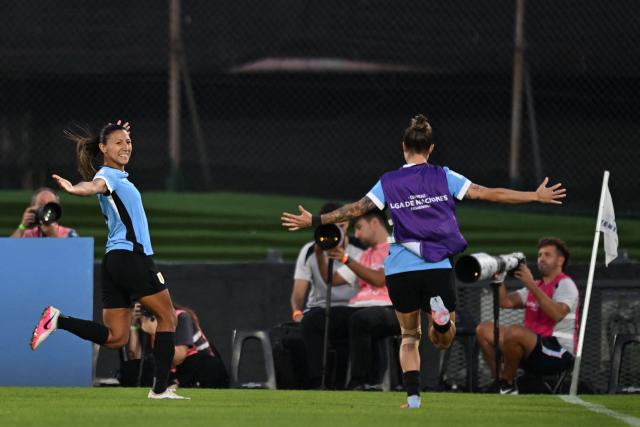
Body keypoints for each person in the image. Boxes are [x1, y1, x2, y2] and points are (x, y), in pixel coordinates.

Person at [282, 114, 566, 408]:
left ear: (404, 146)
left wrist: (315, 220)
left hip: (399, 269)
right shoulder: (443, 176)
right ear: (430, 149)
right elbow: (489, 193)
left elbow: (355, 209)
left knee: (408, 336)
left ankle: (414, 397)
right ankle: (441, 321)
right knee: (442, 339)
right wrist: (535, 194)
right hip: (436, 266)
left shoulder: (388, 182)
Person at [29, 120, 188, 399]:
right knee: (168, 318)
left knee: (116, 338)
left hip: (114, 261)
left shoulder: (118, 176)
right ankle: (160, 390)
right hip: (132, 257)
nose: (126, 146)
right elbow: (93, 186)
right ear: (103, 148)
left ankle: (58, 320)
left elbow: (99, 181)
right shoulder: (108, 176)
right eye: (118, 143)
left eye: (128, 142)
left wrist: (119, 130)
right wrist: (74, 189)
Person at [476, 237, 578, 394]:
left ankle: (508, 384)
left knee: (515, 331)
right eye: (539, 255)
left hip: (558, 351)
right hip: (533, 347)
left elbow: (557, 314)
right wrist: (499, 278)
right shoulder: (536, 285)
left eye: (547, 255)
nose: (541, 258)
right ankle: (500, 383)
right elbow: (505, 302)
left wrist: (530, 284)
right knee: (484, 329)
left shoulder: (565, 284)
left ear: (560, 260)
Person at [324, 210, 400, 390]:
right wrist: (324, 248)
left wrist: (345, 258)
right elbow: (332, 280)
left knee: (361, 320)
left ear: (374, 223)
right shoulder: (364, 255)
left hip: (392, 309)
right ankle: (318, 382)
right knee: (319, 319)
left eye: (359, 228)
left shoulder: (398, 249)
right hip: (360, 308)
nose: (356, 234)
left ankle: (361, 381)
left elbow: (379, 280)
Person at [290, 202, 363, 389]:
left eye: (342, 223)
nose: (338, 229)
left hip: (351, 308)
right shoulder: (309, 251)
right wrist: (297, 311)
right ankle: (316, 382)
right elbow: (299, 291)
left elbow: (334, 280)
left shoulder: (359, 250)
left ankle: (349, 383)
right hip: (318, 309)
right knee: (309, 323)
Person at [122, 303, 229, 389]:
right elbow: (136, 358)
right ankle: (172, 385)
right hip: (169, 369)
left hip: (192, 365)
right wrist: (134, 325)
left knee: (209, 366)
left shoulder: (180, 317)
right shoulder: (145, 322)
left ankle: (175, 384)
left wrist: (157, 332)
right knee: (130, 369)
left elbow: (179, 357)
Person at [10, 187, 78, 238]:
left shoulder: (69, 234)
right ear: (33, 208)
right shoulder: (28, 235)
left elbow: (77, 255)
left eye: (51, 204)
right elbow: (7, 251)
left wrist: (54, 236)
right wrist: (22, 226)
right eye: (41, 205)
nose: (46, 209)